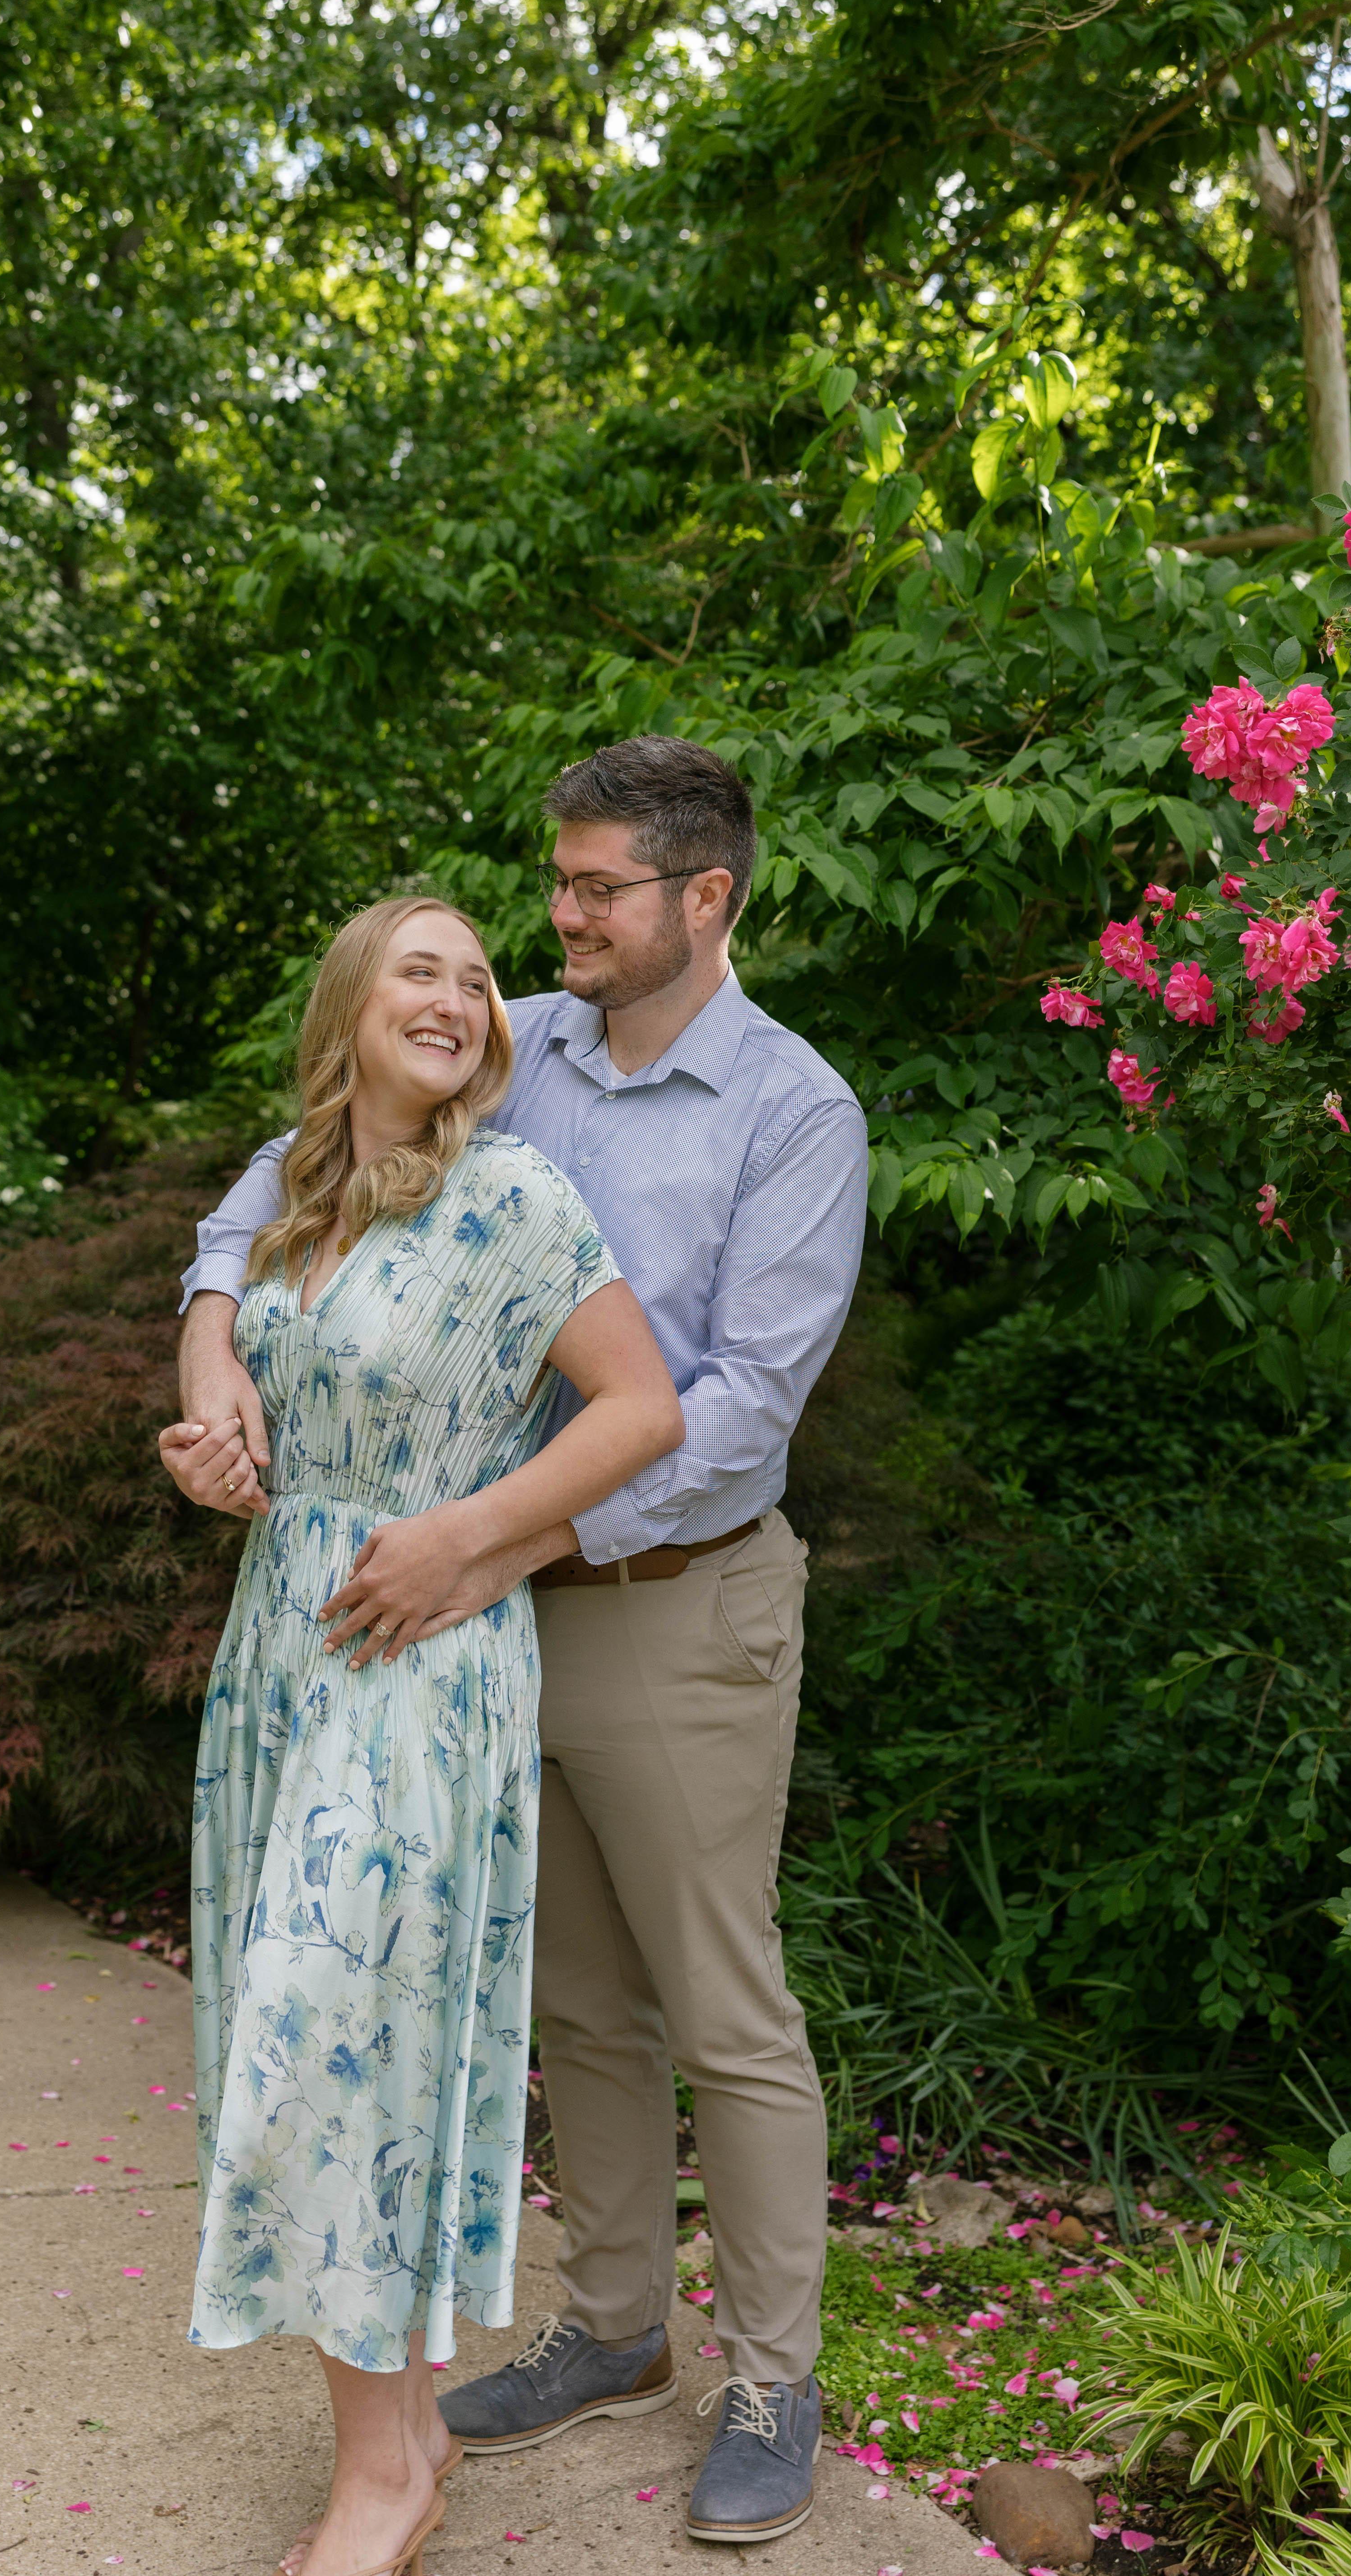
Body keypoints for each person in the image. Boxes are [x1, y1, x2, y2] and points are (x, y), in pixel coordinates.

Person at [176, 738, 871, 2548]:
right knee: (570, 2001)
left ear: (704, 896)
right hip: (466, 1636)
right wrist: (212, 1338)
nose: (558, 916)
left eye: (595, 889)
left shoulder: (795, 1113)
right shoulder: (525, 1049)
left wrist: (493, 1540)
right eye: (554, 884)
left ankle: (774, 2380)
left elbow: (737, 1405)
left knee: (723, 2001)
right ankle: (616, 2327)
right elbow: (274, 1194)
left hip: (667, 1598)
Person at [158, 893, 684, 2576]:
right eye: (420, 971)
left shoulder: (516, 1199)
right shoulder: (294, 1195)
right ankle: (399, 2443)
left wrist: (472, 1535)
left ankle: (386, 2475)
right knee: (295, 2045)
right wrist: (216, 1435)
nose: (456, 998)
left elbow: (644, 1409)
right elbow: (234, 1345)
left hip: (420, 1662)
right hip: (280, 1650)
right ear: (351, 1006)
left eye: (477, 980)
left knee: (348, 2042)